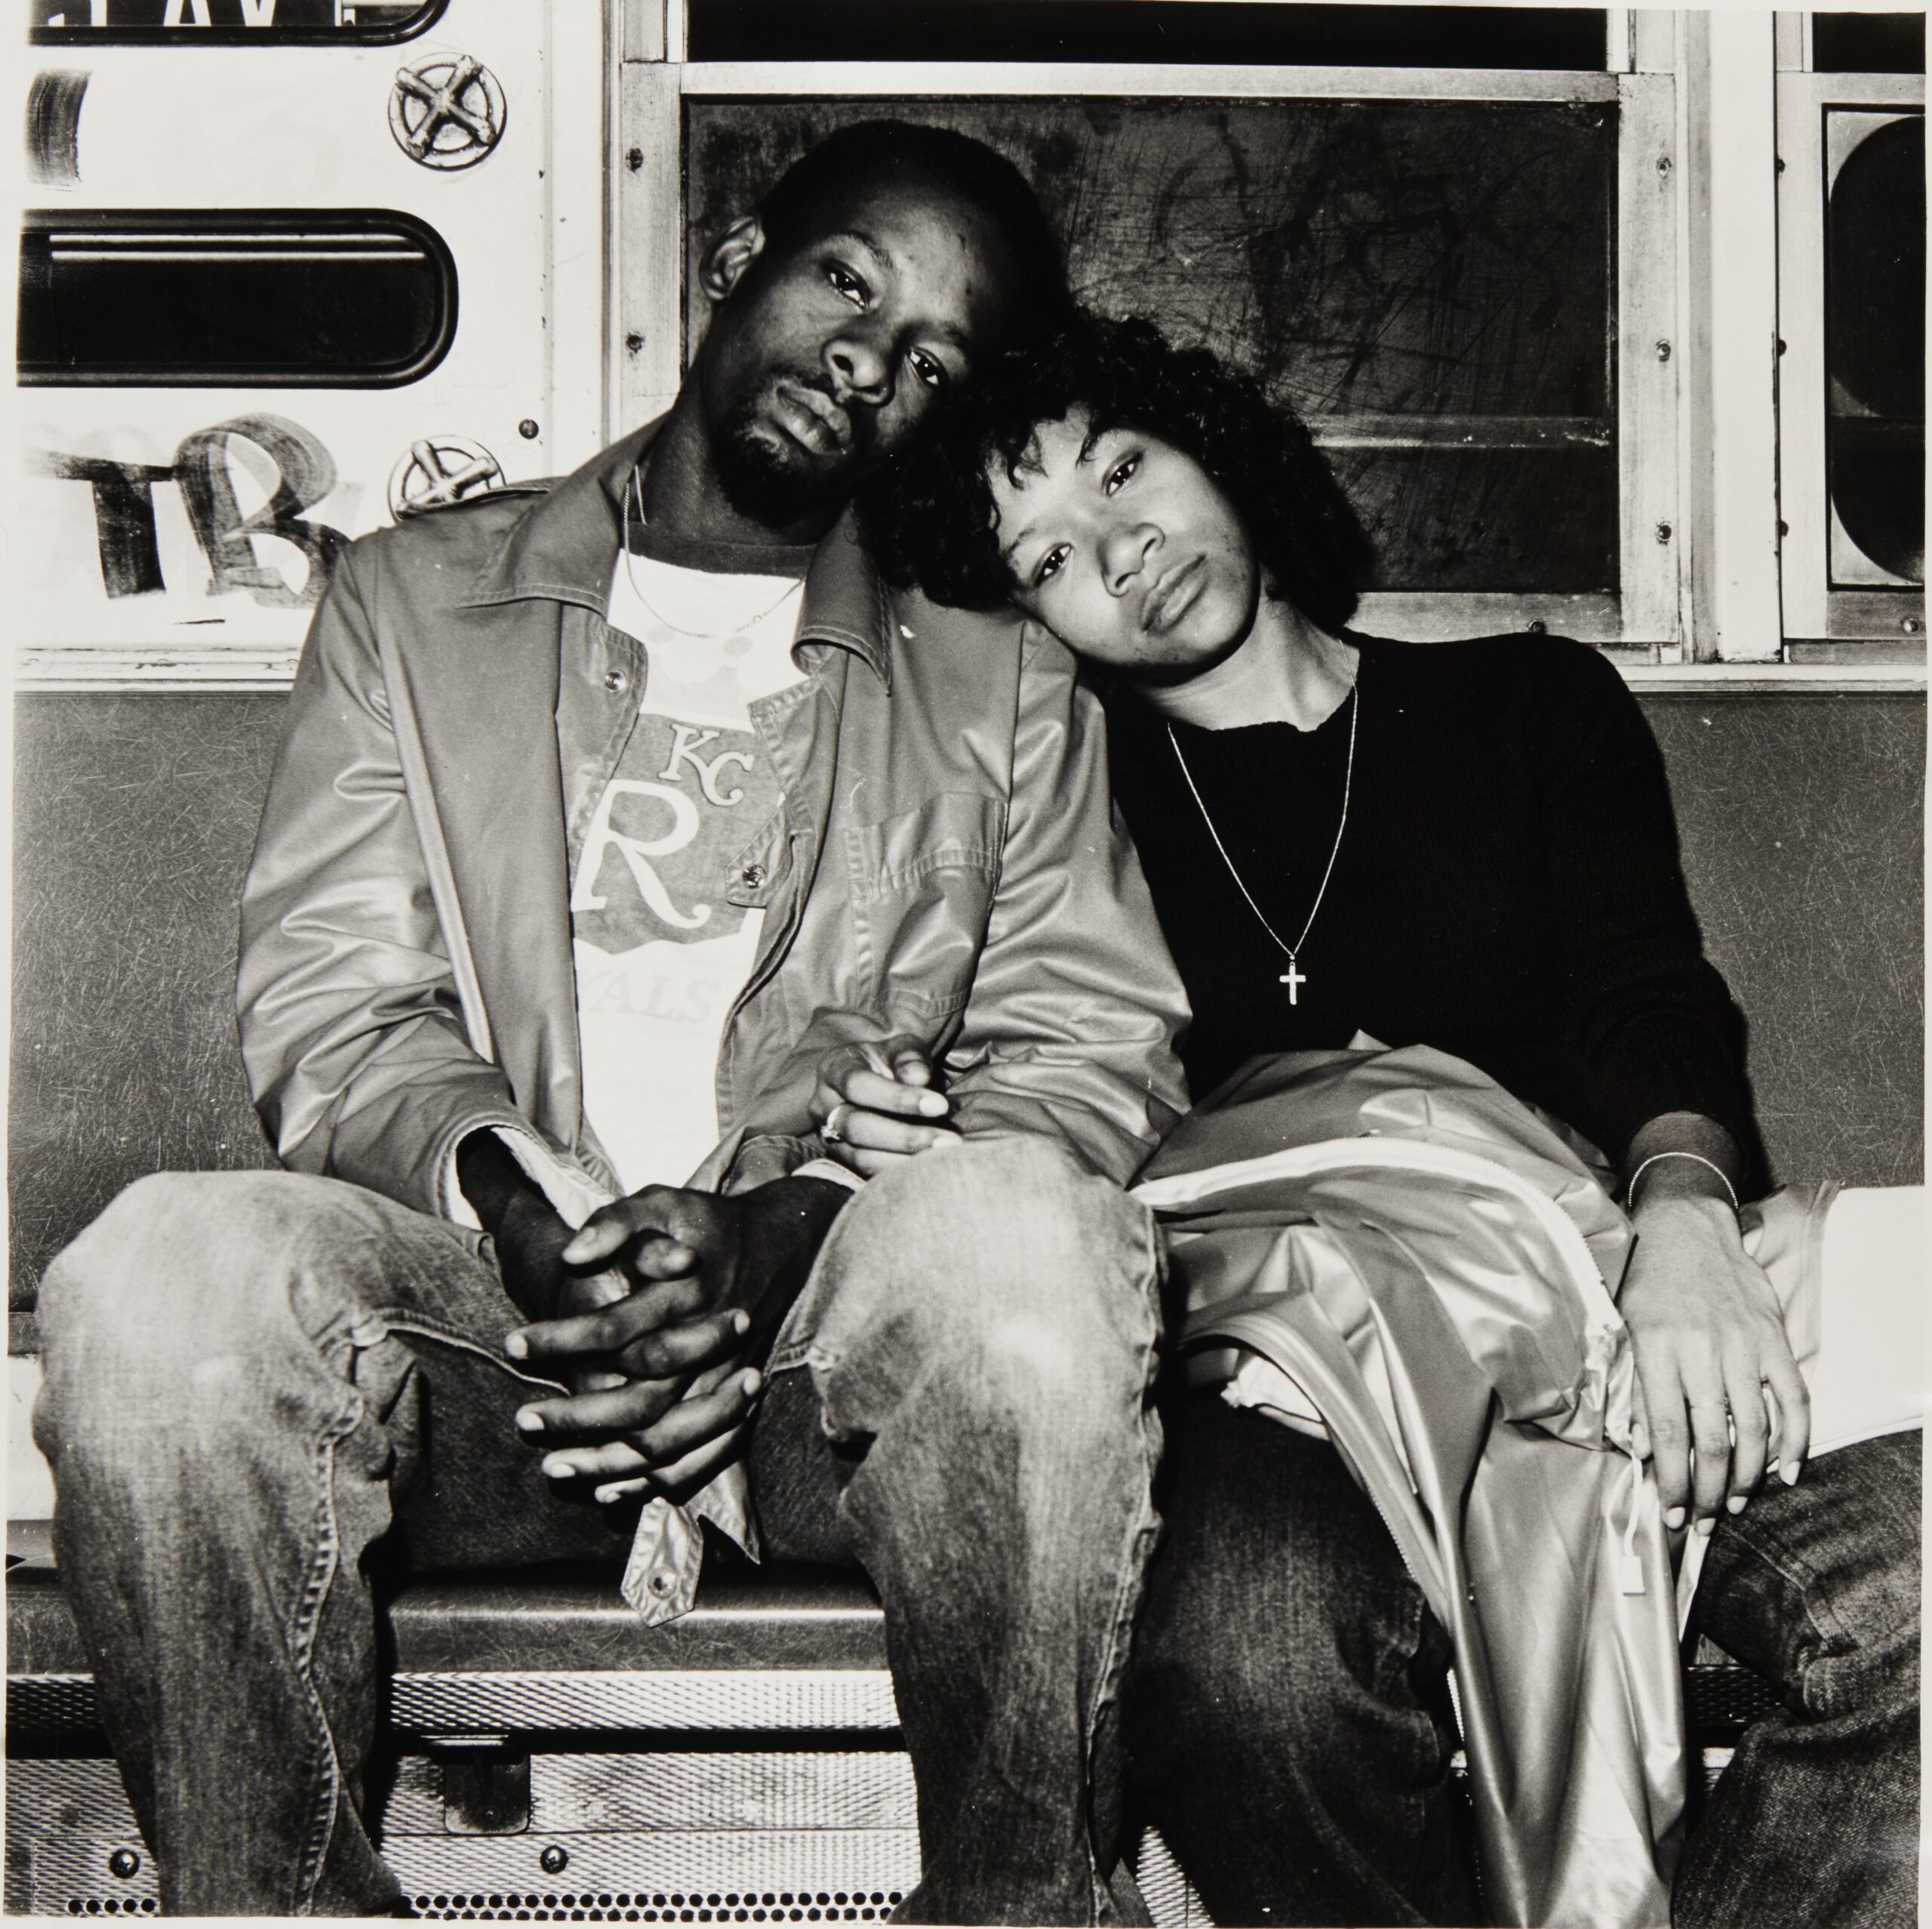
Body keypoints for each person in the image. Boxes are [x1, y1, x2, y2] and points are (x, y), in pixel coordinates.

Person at [31, 130, 1192, 1923]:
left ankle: (1011, 1908)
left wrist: (775, 1228)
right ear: (737, 252)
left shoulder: (1002, 671)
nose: (868, 362)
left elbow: (1086, 1043)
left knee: (1032, 1240)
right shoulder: (410, 604)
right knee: (161, 1275)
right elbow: (338, 1003)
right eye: (846, 284)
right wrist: (527, 1212)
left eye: (934, 362)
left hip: (826, 1361)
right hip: (488, 1348)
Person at [827, 311, 1921, 1927]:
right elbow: (1031, 1070)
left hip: (1578, 1296)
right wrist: (915, 1130)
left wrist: (1684, 1222)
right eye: (1047, 556)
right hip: (1252, 1362)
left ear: (1218, 450)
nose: (1120, 553)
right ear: (1025, 622)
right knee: (1245, 1663)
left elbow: (1644, 993)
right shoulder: (1059, 797)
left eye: (1124, 470)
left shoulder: (1528, 704)